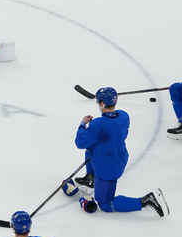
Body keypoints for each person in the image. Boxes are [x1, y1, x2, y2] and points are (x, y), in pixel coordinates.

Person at [69, 87, 168, 217]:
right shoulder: (123, 116)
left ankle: (146, 201)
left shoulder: (98, 124)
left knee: (105, 204)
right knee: (92, 143)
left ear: (102, 103)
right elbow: (112, 131)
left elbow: (80, 143)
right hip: (120, 158)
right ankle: (90, 178)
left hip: (107, 168)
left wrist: (83, 125)